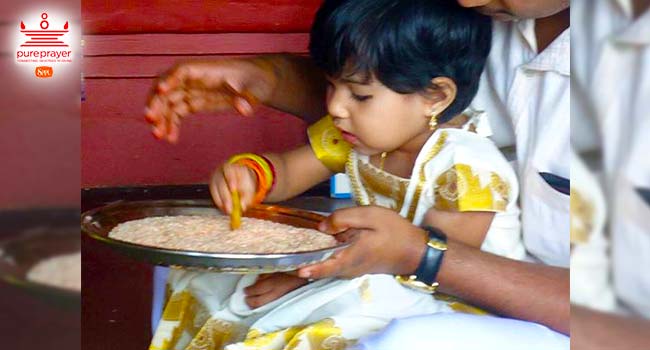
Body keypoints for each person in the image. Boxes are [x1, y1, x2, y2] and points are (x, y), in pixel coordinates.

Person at [145, 0, 571, 347]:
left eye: (359, 95)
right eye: (332, 86)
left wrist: (303, 279)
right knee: (202, 277)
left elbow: (435, 266)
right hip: (377, 265)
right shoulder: (363, 132)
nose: (334, 106)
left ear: (436, 96)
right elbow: (291, 169)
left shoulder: (464, 169)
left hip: (449, 289)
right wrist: (252, 174)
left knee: (320, 329)